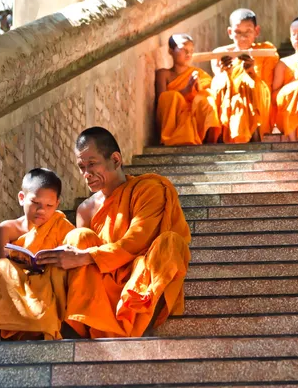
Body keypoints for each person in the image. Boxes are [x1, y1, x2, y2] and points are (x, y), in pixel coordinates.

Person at [37, 127, 191, 339]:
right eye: (81, 167)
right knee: (77, 237)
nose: (86, 173)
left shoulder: (150, 189)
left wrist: (86, 256)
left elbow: (136, 242)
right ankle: (82, 323)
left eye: (92, 164)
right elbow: (82, 267)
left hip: (140, 282)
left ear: (116, 160)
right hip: (103, 285)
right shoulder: (86, 209)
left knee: (171, 243)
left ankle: (137, 323)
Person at [0, 168, 74, 340]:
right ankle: (16, 325)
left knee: (61, 271)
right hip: (19, 284)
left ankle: (47, 324)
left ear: (57, 204)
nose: (41, 210)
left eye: (49, 206)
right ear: (22, 198)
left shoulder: (62, 227)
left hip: (48, 282)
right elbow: (3, 267)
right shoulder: (7, 228)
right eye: (35, 203)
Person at [211, 8, 279, 143]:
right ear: (230, 32)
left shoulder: (266, 53)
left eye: (248, 31)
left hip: (257, 101)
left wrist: (251, 72)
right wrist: (227, 73)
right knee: (237, 99)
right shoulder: (220, 54)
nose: (243, 37)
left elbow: (266, 88)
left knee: (246, 87)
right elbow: (218, 87)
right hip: (230, 102)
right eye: (238, 32)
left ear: (256, 31)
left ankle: (251, 134)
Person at [155, 33, 220, 145]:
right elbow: (162, 101)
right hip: (174, 119)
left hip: (193, 117)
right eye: (183, 49)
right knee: (170, 96)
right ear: (171, 51)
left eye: (191, 50)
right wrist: (186, 91)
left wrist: (198, 88)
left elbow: (210, 96)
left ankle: (207, 142)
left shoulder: (199, 74)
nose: (188, 53)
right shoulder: (164, 74)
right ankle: (170, 138)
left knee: (205, 97)